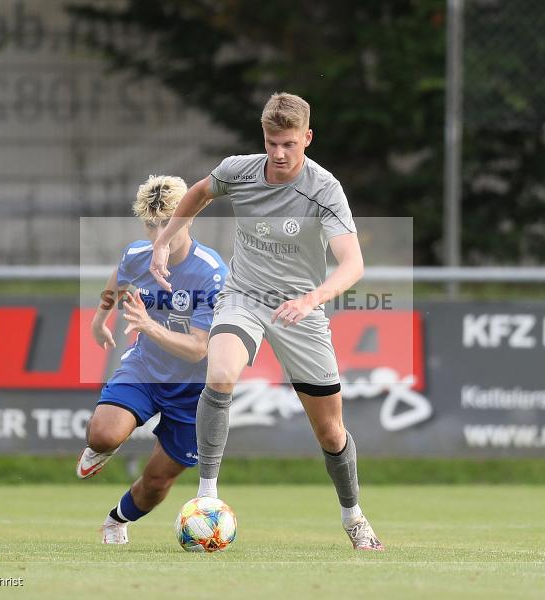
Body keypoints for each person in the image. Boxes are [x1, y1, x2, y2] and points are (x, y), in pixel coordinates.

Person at [149, 92, 383, 550]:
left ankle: (353, 516)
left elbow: (353, 264)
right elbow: (199, 192)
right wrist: (165, 239)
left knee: (330, 431)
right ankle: (207, 498)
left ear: (307, 139)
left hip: (301, 310)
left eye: (289, 144)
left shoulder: (324, 189)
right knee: (219, 374)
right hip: (244, 297)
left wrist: (311, 299)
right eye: (272, 142)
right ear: (264, 137)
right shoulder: (239, 169)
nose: (278, 153)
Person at [76, 175, 228, 545]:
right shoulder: (138, 255)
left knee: (157, 482)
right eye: (151, 223)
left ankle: (116, 520)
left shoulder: (211, 271)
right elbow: (119, 277)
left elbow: (198, 349)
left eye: (168, 222)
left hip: (193, 390)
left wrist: (148, 325)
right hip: (144, 367)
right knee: (103, 433)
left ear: (188, 218)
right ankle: (102, 448)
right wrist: (99, 319)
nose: (160, 231)